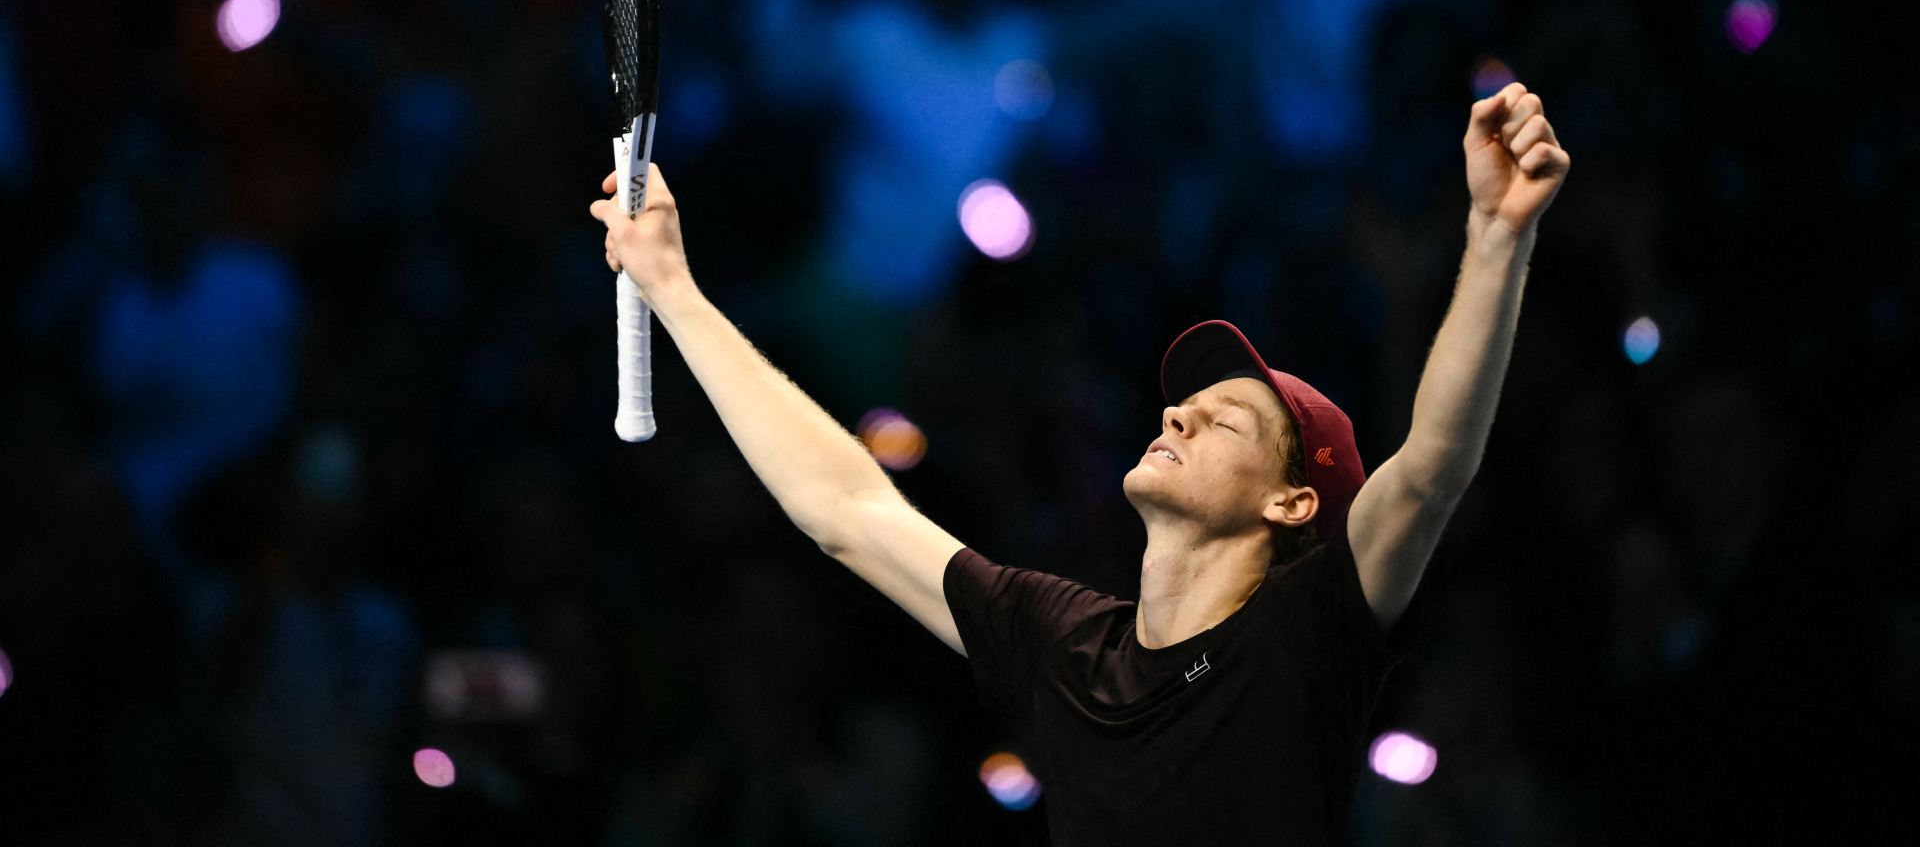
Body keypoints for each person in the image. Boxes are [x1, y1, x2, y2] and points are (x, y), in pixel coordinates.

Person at [590, 81, 1569, 846]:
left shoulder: (1305, 631)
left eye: (1225, 419)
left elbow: (1430, 469)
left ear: (1291, 502)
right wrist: (675, 288)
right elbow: (845, 504)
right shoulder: (1065, 643)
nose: (1177, 413)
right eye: (1183, 403)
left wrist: (1496, 237)